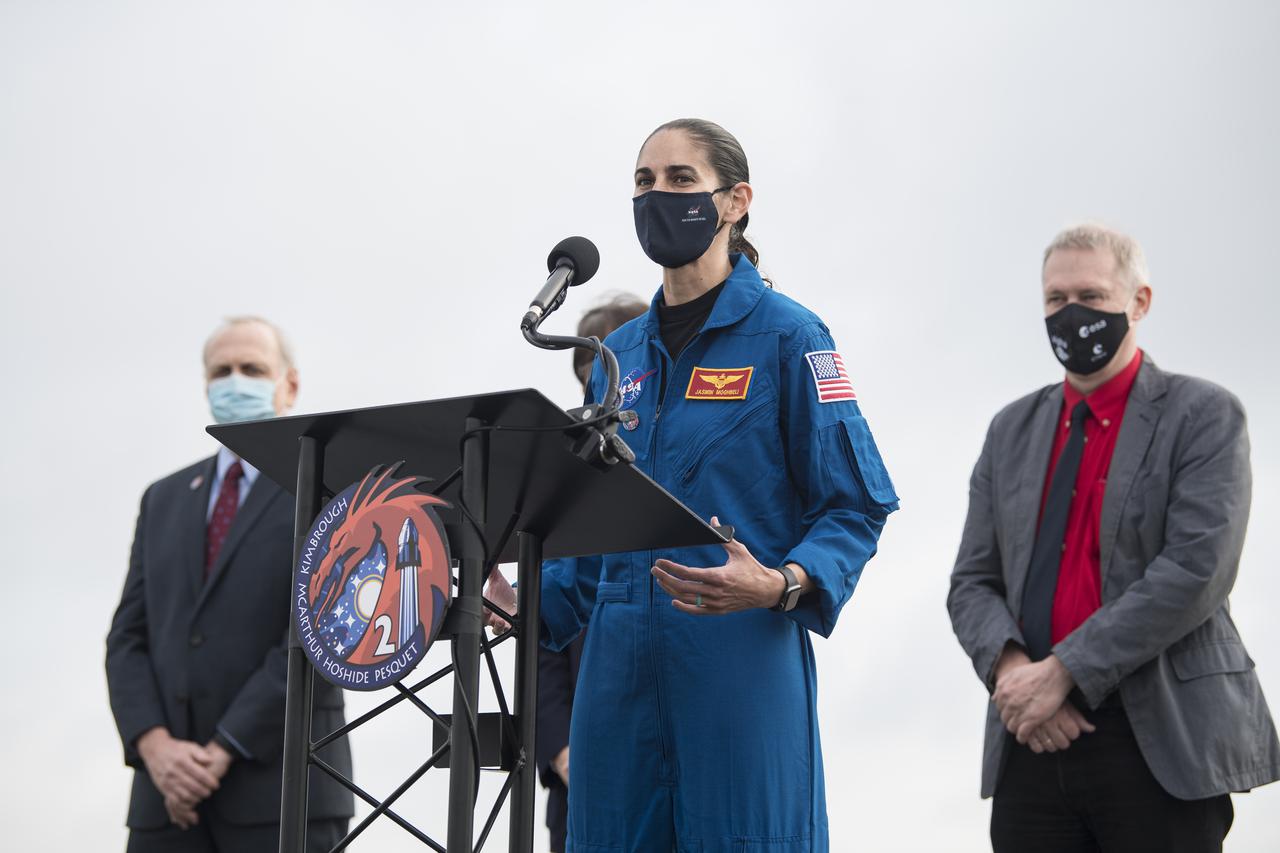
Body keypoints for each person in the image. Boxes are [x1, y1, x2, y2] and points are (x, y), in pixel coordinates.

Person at [488, 118, 899, 852]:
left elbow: (854, 503)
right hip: (615, 678)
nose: (658, 196)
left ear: (735, 201)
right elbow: (591, 543)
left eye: (681, 180)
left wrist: (784, 582)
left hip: (738, 656)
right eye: (644, 182)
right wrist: (522, 606)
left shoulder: (790, 336)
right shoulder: (616, 356)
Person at [947, 224, 1280, 852]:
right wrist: (1017, 673)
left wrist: (1064, 672)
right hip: (1031, 740)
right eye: (1055, 299)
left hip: (1158, 743)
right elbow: (971, 580)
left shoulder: (1204, 415)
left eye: (1092, 297)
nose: (1072, 314)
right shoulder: (1009, 429)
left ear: (1139, 302)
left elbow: (1196, 570)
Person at [106, 316, 354, 852]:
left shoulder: (328, 493)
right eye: (222, 370)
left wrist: (222, 748)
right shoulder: (163, 498)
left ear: (288, 384)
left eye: (252, 368)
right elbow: (127, 638)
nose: (235, 381)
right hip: (165, 804)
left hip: (287, 791)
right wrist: (155, 747)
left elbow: (319, 633)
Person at [537, 294, 649, 853]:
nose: (595, 392)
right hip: (577, 780)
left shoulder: (664, 473)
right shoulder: (569, 479)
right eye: (584, 375)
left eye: (605, 370)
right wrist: (561, 749)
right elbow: (545, 647)